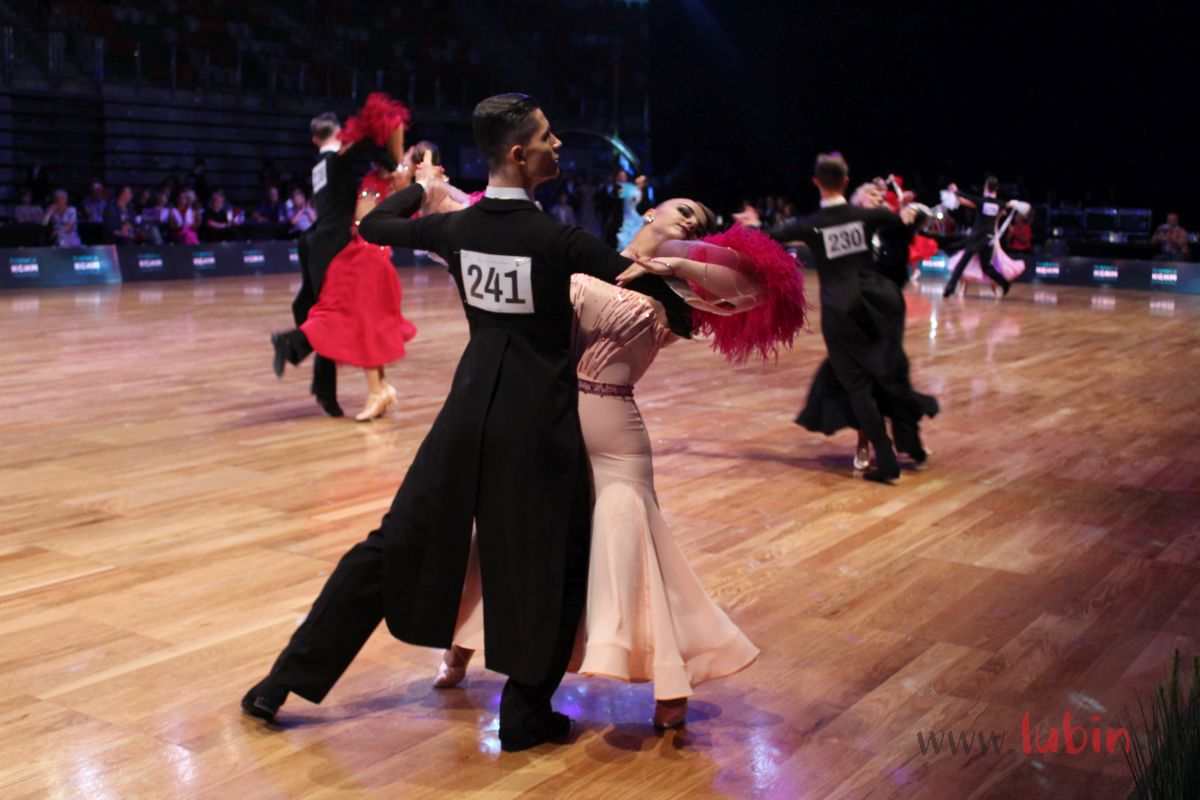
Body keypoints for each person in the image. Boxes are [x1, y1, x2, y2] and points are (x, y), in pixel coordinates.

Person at [242, 94, 641, 752]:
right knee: (551, 557)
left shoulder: (459, 231)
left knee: (390, 544)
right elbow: (647, 284)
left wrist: (419, 190)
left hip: (466, 413)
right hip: (536, 422)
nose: (558, 146)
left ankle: (282, 680)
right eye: (548, 137)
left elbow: (374, 225)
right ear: (519, 155)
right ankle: (527, 711)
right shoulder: (558, 240)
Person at [431, 198, 807, 730]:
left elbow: (760, 289)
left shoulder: (678, 289)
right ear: (650, 211)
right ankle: (463, 643)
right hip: (548, 419)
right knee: (513, 534)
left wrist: (673, 263)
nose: (692, 220)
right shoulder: (582, 255)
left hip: (614, 433)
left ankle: (671, 679)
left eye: (701, 222)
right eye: (684, 210)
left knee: (632, 547)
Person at [737, 152, 929, 483]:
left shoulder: (812, 224)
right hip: (874, 308)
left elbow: (769, 236)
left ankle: (886, 460)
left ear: (816, 182)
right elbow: (903, 221)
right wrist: (910, 211)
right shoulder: (865, 216)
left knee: (858, 387)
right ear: (845, 181)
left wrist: (753, 225)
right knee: (885, 377)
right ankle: (901, 450)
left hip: (840, 313)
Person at [271, 94, 405, 418]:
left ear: (314, 139)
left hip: (314, 243)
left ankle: (319, 381)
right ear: (340, 133)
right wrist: (391, 163)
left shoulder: (319, 165)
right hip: (333, 244)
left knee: (317, 309)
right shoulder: (337, 159)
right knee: (335, 314)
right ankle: (292, 346)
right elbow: (369, 149)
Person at [793, 181, 939, 473]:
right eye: (870, 195)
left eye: (879, 195)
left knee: (895, 382)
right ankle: (864, 442)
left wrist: (911, 212)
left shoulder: (889, 230)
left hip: (886, 319)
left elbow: (924, 217)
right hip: (854, 320)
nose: (877, 198)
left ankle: (907, 443)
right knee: (864, 385)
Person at [297, 161, 419, 421]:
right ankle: (381, 387)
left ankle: (377, 391)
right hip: (363, 256)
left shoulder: (396, 178)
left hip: (367, 258)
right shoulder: (383, 175)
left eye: (407, 162)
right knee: (365, 324)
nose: (401, 163)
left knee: (364, 325)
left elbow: (365, 221)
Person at [941, 176, 1026, 297]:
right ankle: (1004, 283)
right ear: (996, 189)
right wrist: (1014, 203)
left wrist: (955, 190)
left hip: (977, 237)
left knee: (962, 263)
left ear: (986, 187)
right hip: (989, 239)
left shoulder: (981, 201)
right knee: (986, 266)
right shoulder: (999, 203)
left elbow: (965, 197)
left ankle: (949, 289)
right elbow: (1008, 205)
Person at [615, 172, 646, 251]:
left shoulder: (639, 192)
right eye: (639, 178)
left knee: (630, 230)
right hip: (626, 211)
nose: (639, 180)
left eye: (642, 180)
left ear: (643, 183)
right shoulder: (630, 187)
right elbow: (621, 193)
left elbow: (635, 201)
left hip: (631, 212)